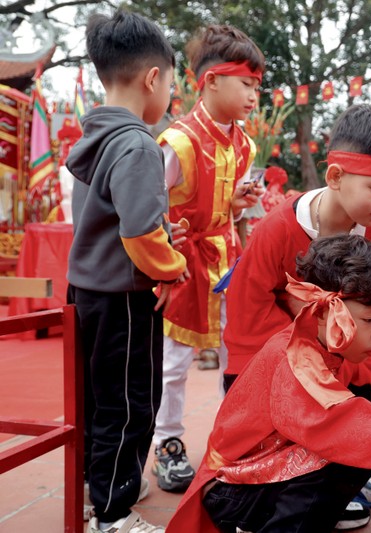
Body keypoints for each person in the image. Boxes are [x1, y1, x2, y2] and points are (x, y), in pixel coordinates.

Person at [168, 234, 371, 533]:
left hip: (255, 474)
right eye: (369, 319)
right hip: (232, 489)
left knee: (364, 435)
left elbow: (325, 417)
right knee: (351, 449)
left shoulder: (313, 343)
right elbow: (334, 425)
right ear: (322, 310)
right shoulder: (297, 359)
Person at [221, 104, 371, 527]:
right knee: (300, 428)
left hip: (348, 358)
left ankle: (346, 469)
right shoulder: (277, 229)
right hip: (284, 363)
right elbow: (248, 319)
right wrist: (313, 350)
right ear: (336, 177)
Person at [65, 9, 187, 533]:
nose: (170, 100)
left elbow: (115, 223)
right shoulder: (138, 143)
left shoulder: (94, 139)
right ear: (152, 78)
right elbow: (138, 236)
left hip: (88, 291)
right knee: (133, 403)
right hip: (125, 299)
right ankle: (113, 514)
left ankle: (101, 490)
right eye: (173, 86)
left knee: (98, 399)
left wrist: (158, 236)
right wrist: (172, 267)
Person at [151, 24, 265, 494]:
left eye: (258, 86)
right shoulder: (177, 142)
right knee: (174, 361)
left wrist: (236, 205)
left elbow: (226, 210)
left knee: (233, 357)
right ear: (211, 81)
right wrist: (166, 242)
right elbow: (148, 205)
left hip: (227, 261)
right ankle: (167, 442)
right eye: (246, 84)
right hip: (183, 264)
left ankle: (231, 441)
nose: (254, 96)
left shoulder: (244, 144)